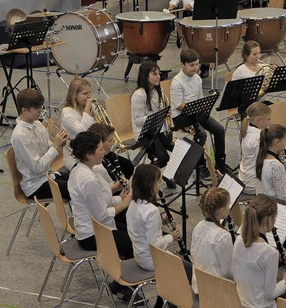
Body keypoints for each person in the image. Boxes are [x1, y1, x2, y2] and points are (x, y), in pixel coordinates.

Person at [126, 164, 189, 308]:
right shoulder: (151, 211)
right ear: (150, 185)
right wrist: (172, 236)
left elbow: (141, 230)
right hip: (151, 260)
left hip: (139, 255)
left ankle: (161, 303)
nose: (161, 185)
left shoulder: (133, 204)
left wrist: (161, 220)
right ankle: (173, 303)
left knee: (180, 263)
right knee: (188, 271)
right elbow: (155, 245)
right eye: (159, 182)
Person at [68, 131, 133, 258]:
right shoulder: (89, 180)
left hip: (95, 227)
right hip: (92, 234)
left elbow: (100, 200)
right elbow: (102, 215)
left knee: (132, 230)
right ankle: (125, 275)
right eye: (101, 149)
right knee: (137, 246)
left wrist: (121, 197)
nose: (104, 152)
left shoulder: (79, 169)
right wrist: (125, 203)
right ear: (89, 154)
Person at [171, 48, 227, 177]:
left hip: (196, 112)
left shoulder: (197, 78)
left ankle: (220, 163)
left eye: (197, 64)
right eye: (191, 65)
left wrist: (203, 105)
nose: (195, 68)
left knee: (219, 130)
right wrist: (194, 107)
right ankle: (200, 165)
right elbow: (177, 104)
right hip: (181, 116)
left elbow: (200, 97)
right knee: (201, 135)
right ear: (182, 65)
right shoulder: (177, 82)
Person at [232, 195, 286, 308]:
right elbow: (269, 294)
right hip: (262, 305)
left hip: (240, 302)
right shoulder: (270, 253)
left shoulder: (238, 240)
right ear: (270, 219)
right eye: (275, 217)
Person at [10, 89, 70, 200]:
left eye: (41, 107)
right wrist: (55, 147)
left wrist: (60, 143)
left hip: (48, 176)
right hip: (35, 186)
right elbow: (37, 168)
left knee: (82, 178)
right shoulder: (20, 135)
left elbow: (48, 148)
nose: (40, 111)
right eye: (37, 109)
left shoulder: (37, 124)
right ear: (24, 110)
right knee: (79, 188)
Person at [168, 0, 214, 78]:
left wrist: (192, 5)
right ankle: (188, 66)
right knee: (189, 41)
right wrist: (173, 3)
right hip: (186, 14)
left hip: (200, 14)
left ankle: (205, 67)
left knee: (201, 42)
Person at [131, 61, 175, 187]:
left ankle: (163, 174)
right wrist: (157, 116)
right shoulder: (139, 95)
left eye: (159, 73)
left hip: (158, 130)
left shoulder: (158, 90)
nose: (158, 76)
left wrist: (164, 115)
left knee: (178, 149)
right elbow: (138, 120)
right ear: (146, 76)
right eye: (154, 74)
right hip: (144, 133)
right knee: (163, 158)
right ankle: (144, 180)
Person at [191, 188, 234, 294]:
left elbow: (193, 254)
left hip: (198, 286)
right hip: (216, 292)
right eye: (228, 205)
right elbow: (228, 271)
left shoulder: (198, 227)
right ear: (221, 210)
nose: (229, 208)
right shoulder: (223, 236)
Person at [256, 125, 286, 202]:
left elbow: (272, 181)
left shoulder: (261, 156)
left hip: (263, 201)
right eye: (285, 141)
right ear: (277, 142)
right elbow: (284, 198)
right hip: (274, 206)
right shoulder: (276, 165)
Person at [61, 77, 96, 170]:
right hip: (74, 157)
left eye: (89, 92)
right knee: (100, 171)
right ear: (74, 95)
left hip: (91, 150)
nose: (89, 97)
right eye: (85, 93)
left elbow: (96, 128)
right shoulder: (67, 112)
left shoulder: (90, 107)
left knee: (126, 165)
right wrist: (87, 110)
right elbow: (81, 132)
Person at [240, 102, 272, 195]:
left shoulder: (248, 129)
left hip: (245, 178)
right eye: (268, 119)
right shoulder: (258, 137)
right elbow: (265, 163)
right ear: (258, 120)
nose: (271, 122)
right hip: (253, 184)